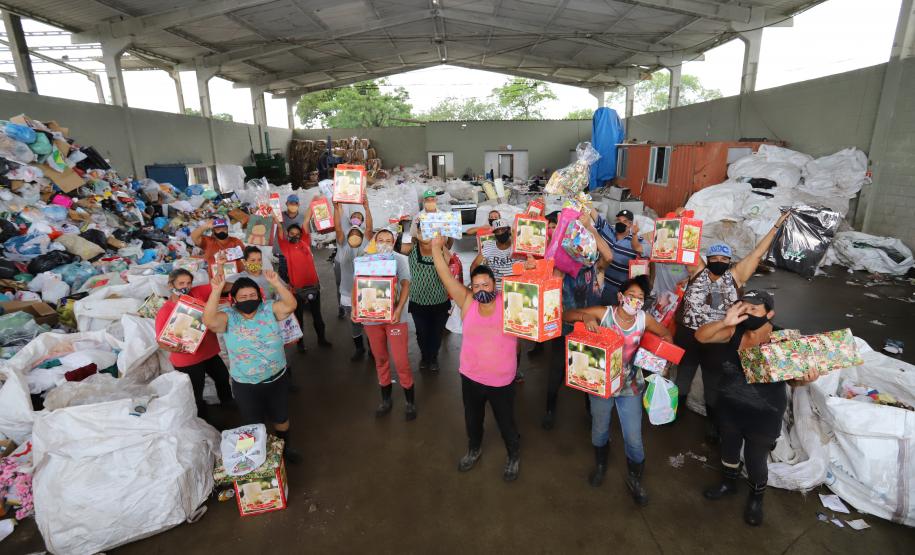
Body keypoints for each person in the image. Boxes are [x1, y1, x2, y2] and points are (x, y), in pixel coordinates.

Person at [695, 291, 819, 526]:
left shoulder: (783, 339)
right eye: (744, 308)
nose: (748, 313)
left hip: (764, 413)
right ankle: (728, 483)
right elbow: (701, 336)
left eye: (754, 309)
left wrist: (805, 380)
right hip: (729, 407)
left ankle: (756, 498)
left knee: (755, 460)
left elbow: (794, 382)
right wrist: (724, 322)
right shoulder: (734, 330)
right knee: (729, 451)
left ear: (769, 314)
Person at [674, 210, 791, 441]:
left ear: (730, 261)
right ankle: (675, 411)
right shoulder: (697, 271)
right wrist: (680, 222)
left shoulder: (735, 277)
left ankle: (713, 423)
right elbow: (686, 246)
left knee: (712, 381)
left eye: (723, 259)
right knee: (683, 376)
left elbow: (757, 253)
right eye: (714, 258)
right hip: (688, 336)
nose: (719, 262)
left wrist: (776, 227)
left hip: (719, 337)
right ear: (707, 259)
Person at [564, 275, 672, 505]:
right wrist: (585, 317)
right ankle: (601, 465)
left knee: (633, 437)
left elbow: (665, 334)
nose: (635, 301)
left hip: (630, 386)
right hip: (600, 385)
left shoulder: (643, 319)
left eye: (640, 297)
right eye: (631, 296)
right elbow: (567, 315)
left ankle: (635, 479)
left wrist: (663, 358)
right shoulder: (604, 313)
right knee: (599, 429)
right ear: (620, 296)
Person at [428, 235, 521, 481]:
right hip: (471, 377)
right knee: (472, 419)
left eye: (485, 285)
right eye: (476, 285)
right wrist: (436, 247)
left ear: (494, 284)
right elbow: (445, 275)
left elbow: (536, 292)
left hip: (501, 380)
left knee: (506, 422)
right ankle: (474, 449)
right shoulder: (467, 301)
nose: (480, 289)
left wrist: (532, 266)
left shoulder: (509, 303)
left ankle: (513, 455)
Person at [202, 271, 300, 462]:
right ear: (234, 300)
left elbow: (291, 305)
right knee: (253, 423)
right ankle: (258, 456)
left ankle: (285, 449)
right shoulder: (228, 316)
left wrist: (276, 283)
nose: (249, 299)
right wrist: (216, 291)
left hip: (277, 379)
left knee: (281, 418)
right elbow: (209, 321)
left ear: (259, 295)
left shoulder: (269, 308)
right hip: (246, 384)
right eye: (243, 297)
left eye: (252, 295)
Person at [543, 212, 612, 430]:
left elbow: (609, 256)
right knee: (557, 369)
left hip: (590, 328)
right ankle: (550, 408)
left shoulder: (593, 267)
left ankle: (589, 409)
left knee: (589, 368)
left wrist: (589, 228)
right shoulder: (560, 268)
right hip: (565, 326)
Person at [155, 268, 233, 419]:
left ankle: (228, 404)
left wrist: (238, 285)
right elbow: (160, 342)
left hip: (208, 353)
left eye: (188, 283)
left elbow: (222, 286)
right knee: (196, 392)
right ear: (171, 285)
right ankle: (202, 421)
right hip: (187, 359)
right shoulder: (165, 310)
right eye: (181, 283)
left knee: (223, 377)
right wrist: (174, 347)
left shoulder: (197, 293)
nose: (185, 286)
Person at [359, 228, 416, 420]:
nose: (384, 243)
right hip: (372, 318)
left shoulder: (400, 259)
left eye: (388, 240)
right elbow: (357, 283)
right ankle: (386, 399)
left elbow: (406, 284)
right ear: (374, 242)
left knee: (401, 361)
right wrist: (355, 308)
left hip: (395, 318)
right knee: (381, 358)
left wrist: (399, 310)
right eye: (380, 240)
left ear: (394, 242)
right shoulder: (366, 259)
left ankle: (410, 401)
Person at [276, 216, 331, 352]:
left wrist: (313, 205)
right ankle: (300, 344)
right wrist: (273, 215)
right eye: (292, 233)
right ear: (288, 235)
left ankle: (322, 339)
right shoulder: (285, 247)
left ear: (301, 235)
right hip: (297, 290)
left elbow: (306, 221)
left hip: (314, 287)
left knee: (317, 316)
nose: (295, 235)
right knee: (299, 318)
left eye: (297, 233)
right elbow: (279, 228)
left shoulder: (305, 242)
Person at [404, 224, 450, 373]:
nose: (425, 233)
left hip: (440, 301)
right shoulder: (410, 249)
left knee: (436, 333)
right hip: (418, 302)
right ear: (416, 232)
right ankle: (425, 356)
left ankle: (434, 357)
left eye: (429, 230)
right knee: (421, 333)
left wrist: (441, 242)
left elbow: (448, 264)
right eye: (421, 230)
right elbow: (391, 244)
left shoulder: (442, 250)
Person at [334, 200, 373, 361]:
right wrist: (336, 208)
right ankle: (359, 349)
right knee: (355, 321)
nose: (355, 235)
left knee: (369, 322)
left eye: (358, 233)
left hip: (367, 291)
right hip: (348, 292)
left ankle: (372, 349)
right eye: (352, 233)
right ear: (347, 235)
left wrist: (366, 207)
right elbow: (338, 228)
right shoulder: (343, 246)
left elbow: (369, 228)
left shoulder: (366, 244)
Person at [593, 209, 644, 305]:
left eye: (625, 221)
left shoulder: (638, 241)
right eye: (619, 220)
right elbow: (595, 216)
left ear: (630, 224)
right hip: (600, 286)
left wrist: (635, 235)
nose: (621, 223)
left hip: (621, 293)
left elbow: (645, 254)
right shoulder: (609, 231)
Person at [334, 208, 366, 319]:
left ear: (362, 221)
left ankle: (357, 309)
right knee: (340, 285)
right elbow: (338, 224)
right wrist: (336, 206)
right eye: (354, 216)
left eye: (359, 217)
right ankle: (342, 307)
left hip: (356, 265)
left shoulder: (363, 233)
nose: (356, 218)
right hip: (341, 262)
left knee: (356, 285)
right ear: (350, 218)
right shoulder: (345, 228)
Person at [471, 218, 515, 291]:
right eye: (497, 231)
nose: (500, 233)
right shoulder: (488, 246)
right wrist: (475, 285)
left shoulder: (517, 245)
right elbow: (474, 265)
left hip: (514, 289)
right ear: (494, 234)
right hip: (493, 291)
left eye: (503, 229)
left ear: (509, 230)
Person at [273, 194, 305, 283]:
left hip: (296, 250)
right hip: (282, 250)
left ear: (298, 205)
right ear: (286, 204)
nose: (293, 205)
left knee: (296, 273)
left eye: (295, 203)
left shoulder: (302, 218)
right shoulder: (279, 216)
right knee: (283, 273)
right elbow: (270, 222)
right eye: (291, 203)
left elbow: (304, 234)